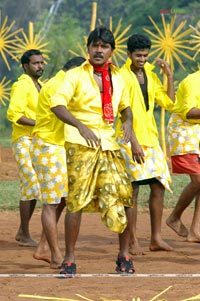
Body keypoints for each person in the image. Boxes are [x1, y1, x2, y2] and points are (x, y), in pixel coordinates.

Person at [49, 26, 138, 277]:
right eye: (95, 45)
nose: (99, 50)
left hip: (110, 144)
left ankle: (124, 256)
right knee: (76, 201)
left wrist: (128, 123)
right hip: (80, 144)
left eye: (104, 46)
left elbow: (125, 108)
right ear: (88, 48)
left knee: (123, 196)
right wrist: (80, 125)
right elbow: (57, 104)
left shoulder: (119, 78)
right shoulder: (74, 75)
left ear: (111, 51)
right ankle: (69, 260)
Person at [116, 34, 175, 255]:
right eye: (138, 55)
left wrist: (169, 76)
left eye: (145, 55)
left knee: (158, 186)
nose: (142, 59)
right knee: (132, 190)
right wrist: (133, 141)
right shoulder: (120, 76)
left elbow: (168, 103)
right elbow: (121, 113)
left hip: (151, 139)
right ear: (128, 54)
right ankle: (131, 240)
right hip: (128, 139)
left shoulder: (150, 73)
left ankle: (156, 238)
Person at [31, 56, 86, 268]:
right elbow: (62, 111)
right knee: (51, 202)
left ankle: (44, 247)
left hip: (58, 146)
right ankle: (55, 254)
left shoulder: (62, 82)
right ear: (74, 71)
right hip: (47, 146)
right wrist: (82, 126)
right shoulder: (58, 85)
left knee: (63, 199)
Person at [7, 49, 44, 247]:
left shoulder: (41, 85)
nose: (40, 66)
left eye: (41, 62)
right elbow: (14, 114)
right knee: (31, 183)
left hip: (37, 140)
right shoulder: (21, 85)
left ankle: (23, 231)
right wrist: (39, 124)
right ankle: (24, 232)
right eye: (36, 63)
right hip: (23, 139)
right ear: (25, 66)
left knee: (34, 186)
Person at [166, 70, 200, 242]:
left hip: (197, 132)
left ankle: (195, 231)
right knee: (199, 180)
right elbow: (189, 112)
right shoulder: (193, 81)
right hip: (185, 132)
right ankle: (174, 217)